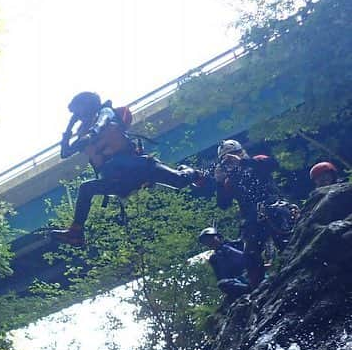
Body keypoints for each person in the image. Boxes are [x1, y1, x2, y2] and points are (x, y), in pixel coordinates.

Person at [51, 91, 200, 246]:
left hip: (137, 166)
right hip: (117, 179)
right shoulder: (83, 133)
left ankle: (193, 173)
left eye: (78, 110)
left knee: (179, 181)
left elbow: (101, 123)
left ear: (89, 105)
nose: (77, 114)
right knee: (86, 188)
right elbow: (65, 153)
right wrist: (68, 129)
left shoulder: (104, 113)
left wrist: (93, 132)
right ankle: (76, 232)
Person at [203, 139, 294, 287]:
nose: (229, 161)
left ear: (241, 152)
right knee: (250, 255)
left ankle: (296, 265)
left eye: (232, 155)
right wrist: (219, 182)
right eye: (225, 160)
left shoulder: (256, 162)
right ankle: (256, 287)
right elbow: (223, 204)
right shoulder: (230, 180)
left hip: (274, 209)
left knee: (286, 242)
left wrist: (242, 162)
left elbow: (273, 164)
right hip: (252, 220)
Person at [197, 227, 251, 300]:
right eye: (206, 242)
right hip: (236, 281)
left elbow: (247, 257)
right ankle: (248, 288)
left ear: (218, 237)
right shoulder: (214, 259)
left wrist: (226, 250)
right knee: (222, 284)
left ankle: (250, 286)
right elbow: (221, 278)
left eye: (211, 239)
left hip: (249, 273)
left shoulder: (236, 244)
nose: (210, 242)